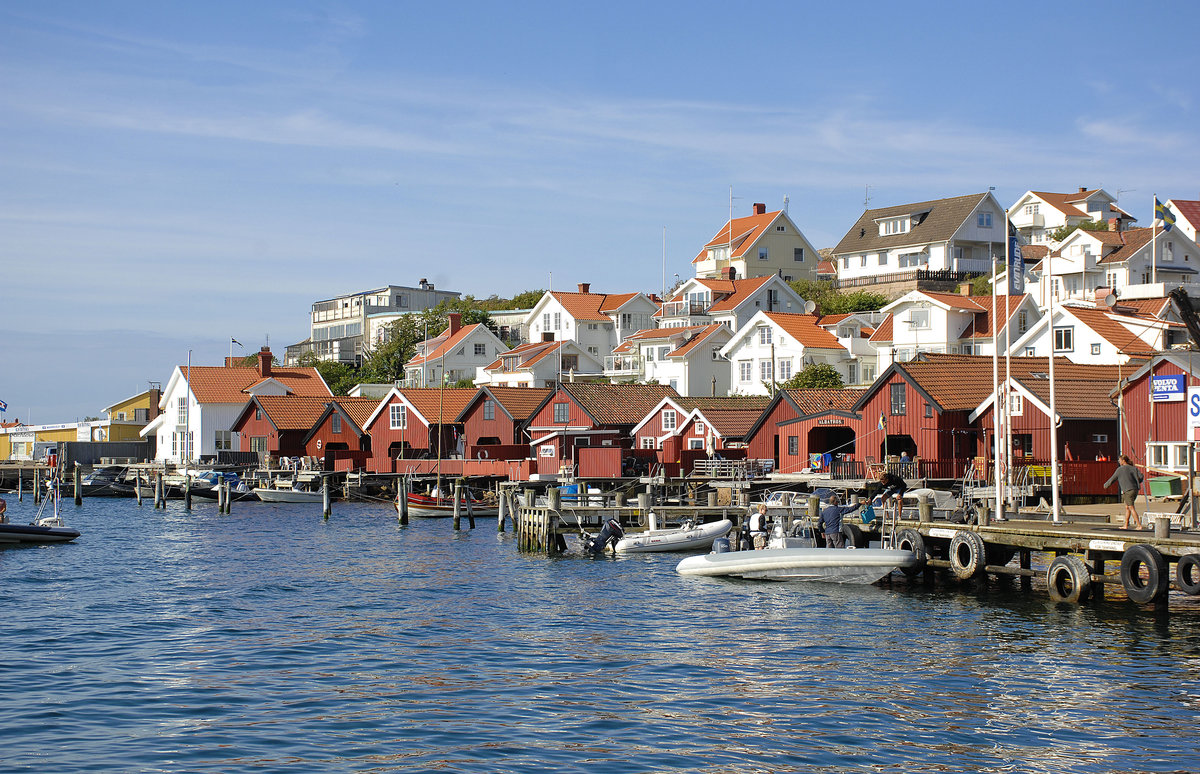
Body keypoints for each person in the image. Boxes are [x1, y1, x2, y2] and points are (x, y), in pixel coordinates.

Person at [1103, 454, 1145, 530]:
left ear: (1123, 461)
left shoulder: (1120, 469)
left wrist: (1106, 485)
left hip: (1127, 490)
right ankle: (1125, 524)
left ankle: (1139, 525)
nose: (1119, 462)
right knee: (1127, 507)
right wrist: (1137, 481)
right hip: (1135, 489)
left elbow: (1113, 479)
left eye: (1119, 460)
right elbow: (1141, 476)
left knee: (1131, 507)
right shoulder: (1133, 468)